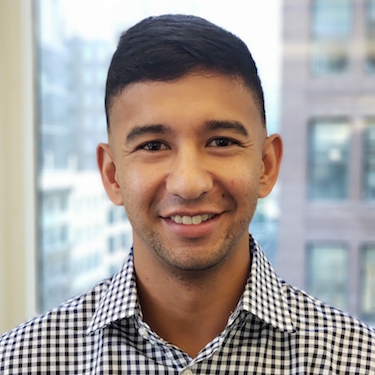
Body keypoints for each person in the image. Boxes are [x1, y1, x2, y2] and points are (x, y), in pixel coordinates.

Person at [1, 14, 374, 374]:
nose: (189, 183)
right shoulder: (16, 362)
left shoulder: (360, 360)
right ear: (113, 175)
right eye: (153, 146)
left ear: (266, 165)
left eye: (221, 141)